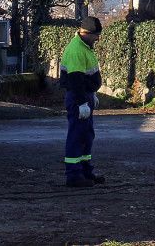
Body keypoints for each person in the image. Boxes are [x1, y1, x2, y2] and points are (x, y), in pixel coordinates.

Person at [60, 16, 103, 187]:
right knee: (77, 136)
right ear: (86, 33)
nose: (98, 38)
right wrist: (81, 103)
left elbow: (84, 77)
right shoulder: (77, 50)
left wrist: (91, 94)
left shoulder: (84, 47)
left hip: (84, 95)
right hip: (78, 97)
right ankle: (74, 175)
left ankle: (85, 172)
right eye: (96, 35)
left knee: (86, 136)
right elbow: (76, 79)